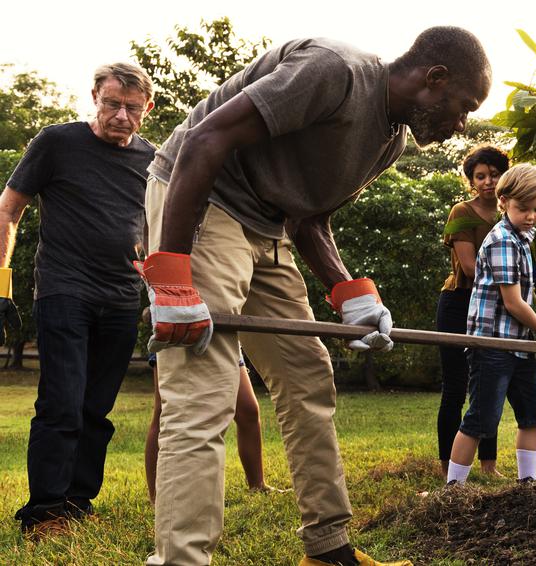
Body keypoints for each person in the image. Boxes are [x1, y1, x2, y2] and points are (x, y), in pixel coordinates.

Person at [139, 28, 490, 566]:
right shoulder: (335, 71)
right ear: (433, 78)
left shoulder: (389, 140)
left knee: (307, 378)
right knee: (202, 392)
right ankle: (182, 560)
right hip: (203, 202)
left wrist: (350, 293)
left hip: (268, 225)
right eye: (463, 106)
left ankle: (328, 550)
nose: (462, 123)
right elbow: (204, 139)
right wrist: (172, 275)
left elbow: (308, 217)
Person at [2, 62, 156, 539]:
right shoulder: (57, 142)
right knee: (62, 402)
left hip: (123, 296)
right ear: (95, 97)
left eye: (133, 108)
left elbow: (154, 226)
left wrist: (159, 286)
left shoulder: (152, 158)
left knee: (96, 408)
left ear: (147, 109)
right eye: (113, 104)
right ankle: (44, 511)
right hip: (64, 289)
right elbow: (10, 207)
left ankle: (76, 500)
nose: (122, 117)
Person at [446, 164, 536, 485]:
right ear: (503, 202)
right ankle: (454, 487)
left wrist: (535, 287)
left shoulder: (521, 237)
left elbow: (518, 290)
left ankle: (527, 483)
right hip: (493, 345)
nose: (531, 216)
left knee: (533, 414)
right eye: (523, 209)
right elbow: (513, 302)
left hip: (519, 345)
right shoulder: (503, 239)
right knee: (481, 418)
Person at [435, 145, 508, 478]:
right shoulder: (461, 212)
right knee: (455, 387)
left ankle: (489, 465)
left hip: (497, 305)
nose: (488, 182)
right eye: (481, 176)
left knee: (489, 383)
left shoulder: (512, 214)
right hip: (459, 302)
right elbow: (469, 266)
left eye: (494, 174)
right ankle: (446, 464)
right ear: (471, 181)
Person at [144, 352, 278, 503]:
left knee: (248, 410)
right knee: (163, 412)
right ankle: (156, 497)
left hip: (224, 340)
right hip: (178, 337)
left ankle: (257, 485)